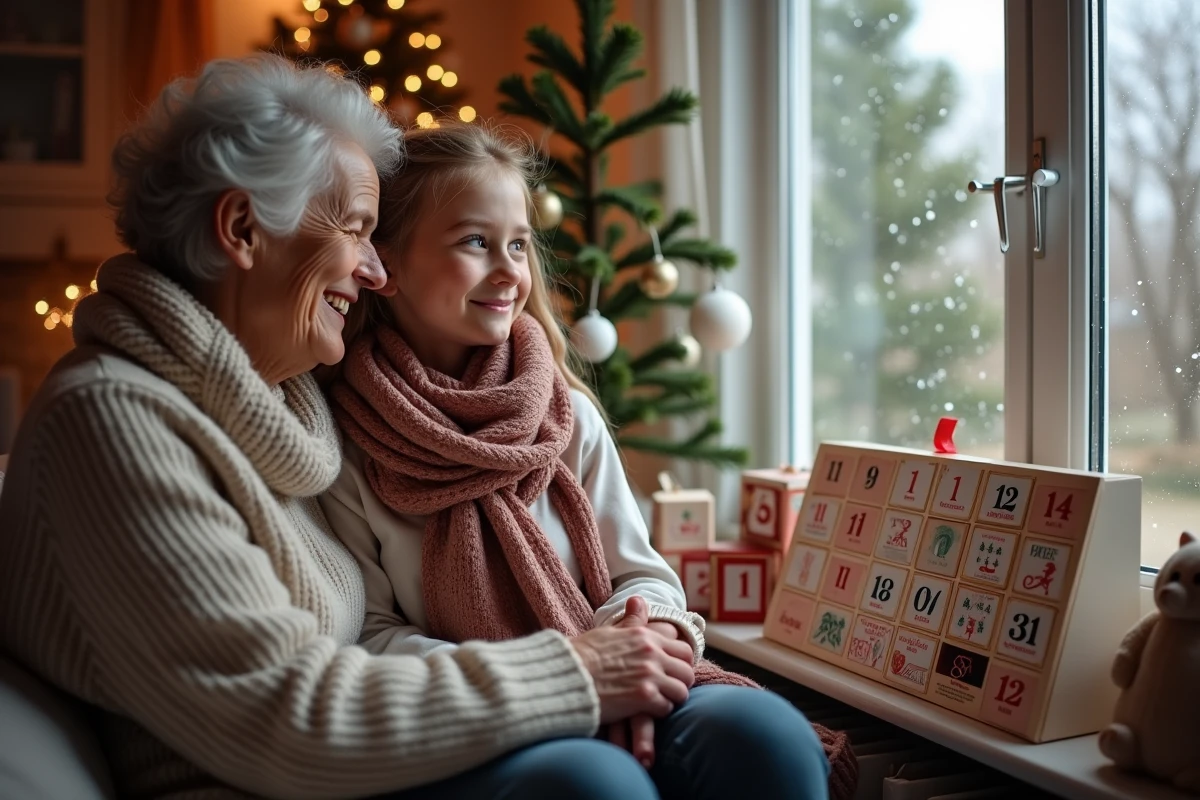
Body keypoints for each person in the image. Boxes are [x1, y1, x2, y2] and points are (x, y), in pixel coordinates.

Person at [0, 55, 705, 800]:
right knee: (589, 782)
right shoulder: (114, 420)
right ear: (242, 228)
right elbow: (285, 716)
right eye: (357, 230)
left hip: (367, 763)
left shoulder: (272, 406)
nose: (375, 270)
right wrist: (583, 670)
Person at [322, 121, 834, 799]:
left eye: (519, 245)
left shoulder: (566, 416)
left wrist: (635, 643)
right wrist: (563, 675)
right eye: (475, 242)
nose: (510, 271)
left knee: (763, 732)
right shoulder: (348, 438)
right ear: (385, 264)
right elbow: (370, 637)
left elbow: (643, 576)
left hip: (621, 671)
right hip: (471, 716)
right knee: (595, 783)